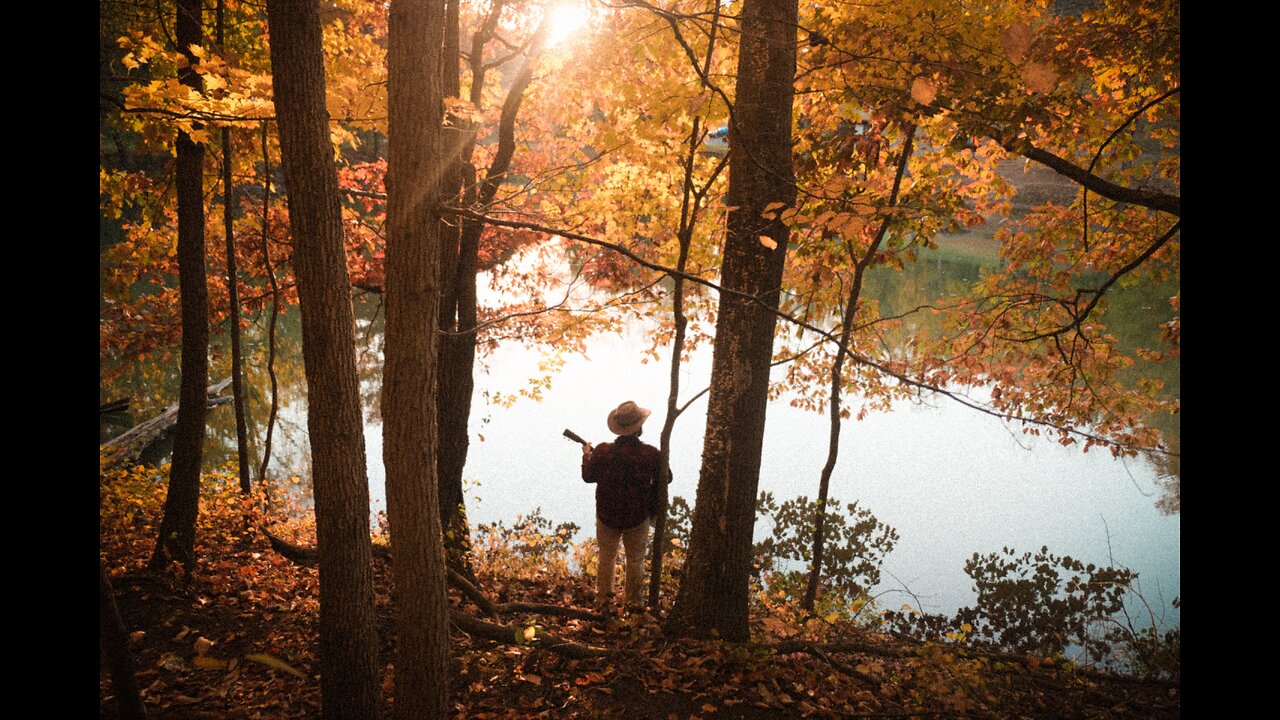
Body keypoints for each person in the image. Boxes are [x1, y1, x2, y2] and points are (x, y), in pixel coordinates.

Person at [581, 400, 661, 613]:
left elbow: (588, 477)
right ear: (639, 427)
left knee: (607, 557)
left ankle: (604, 602)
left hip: (608, 515)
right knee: (636, 560)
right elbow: (667, 478)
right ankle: (634, 604)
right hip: (637, 517)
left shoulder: (603, 451)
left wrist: (587, 455)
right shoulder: (651, 454)